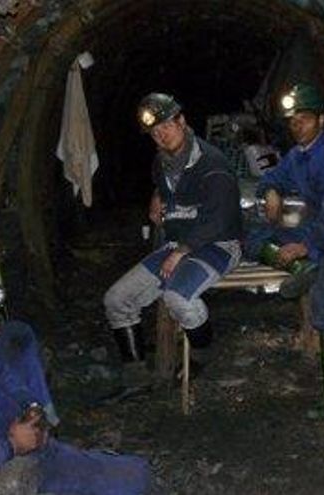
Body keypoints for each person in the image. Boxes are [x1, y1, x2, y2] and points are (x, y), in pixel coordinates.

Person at [0, 273, 152, 494]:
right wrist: (13, 444)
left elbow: (1, 372)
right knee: (134, 480)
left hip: (30, 446)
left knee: (137, 473)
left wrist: (30, 403)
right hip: (8, 466)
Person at [104, 92, 242, 383]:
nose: (162, 135)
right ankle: (137, 377)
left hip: (217, 244)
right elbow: (166, 189)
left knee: (177, 298)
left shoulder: (213, 165)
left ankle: (203, 353)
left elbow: (219, 220)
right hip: (176, 244)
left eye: (166, 126)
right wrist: (157, 195)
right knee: (116, 299)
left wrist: (182, 250)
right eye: (155, 132)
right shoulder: (161, 163)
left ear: (182, 121)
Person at [245, 83, 324, 418]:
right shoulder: (299, 154)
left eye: (305, 118)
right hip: (322, 232)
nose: (297, 124)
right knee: (254, 233)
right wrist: (270, 191)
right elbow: (274, 178)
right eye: (293, 119)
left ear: (321, 120)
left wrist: (305, 245)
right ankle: (301, 270)